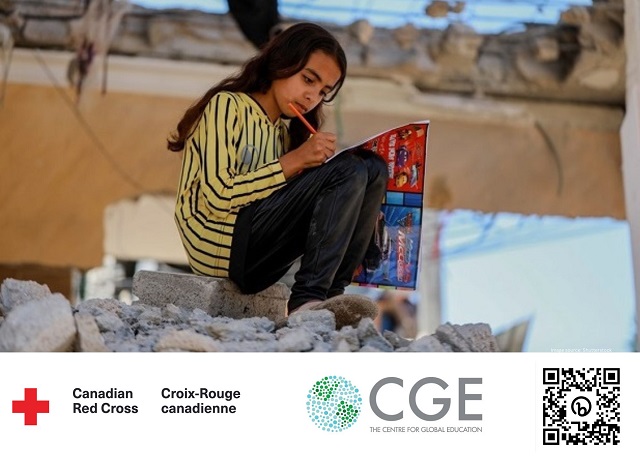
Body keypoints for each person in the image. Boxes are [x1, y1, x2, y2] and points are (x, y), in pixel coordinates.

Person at [168, 22, 388, 328]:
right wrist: (294, 161)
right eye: (308, 80)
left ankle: (331, 297)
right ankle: (305, 301)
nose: (312, 96)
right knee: (348, 169)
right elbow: (217, 198)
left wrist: (357, 210)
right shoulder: (228, 106)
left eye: (323, 92)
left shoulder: (283, 135)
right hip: (219, 245)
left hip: (258, 254)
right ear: (280, 63)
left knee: (371, 166)